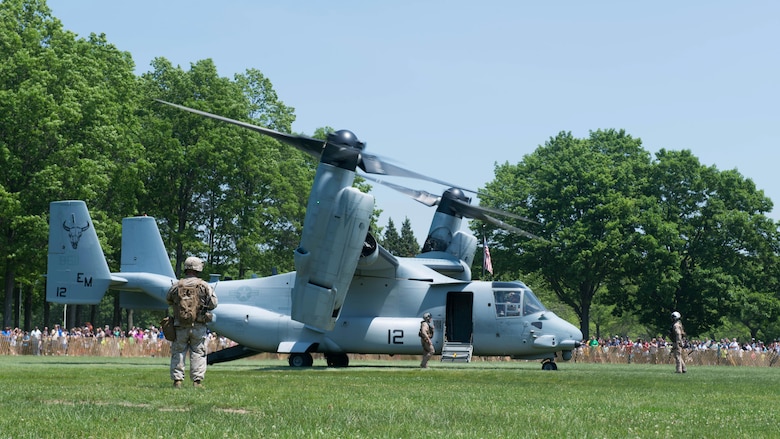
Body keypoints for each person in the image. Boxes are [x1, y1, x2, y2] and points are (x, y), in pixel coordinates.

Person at [166, 256, 218, 388]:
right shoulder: (204, 285)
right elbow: (213, 304)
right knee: (198, 352)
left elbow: (168, 299)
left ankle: (177, 381)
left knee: (178, 352)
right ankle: (197, 381)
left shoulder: (177, 285)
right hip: (198, 325)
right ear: (198, 269)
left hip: (180, 325)